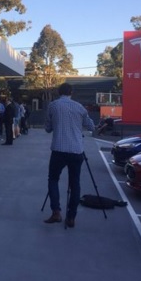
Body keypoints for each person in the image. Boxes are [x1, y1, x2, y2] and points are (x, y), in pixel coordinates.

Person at [44, 82, 95, 228]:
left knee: (53, 179)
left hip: (58, 150)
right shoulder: (79, 107)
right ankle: (71, 217)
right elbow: (91, 126)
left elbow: (48, 128)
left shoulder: (53, 106)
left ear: (59, 92)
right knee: (75, 183)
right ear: (71, 92)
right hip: (76, 150)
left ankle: (56, 212)